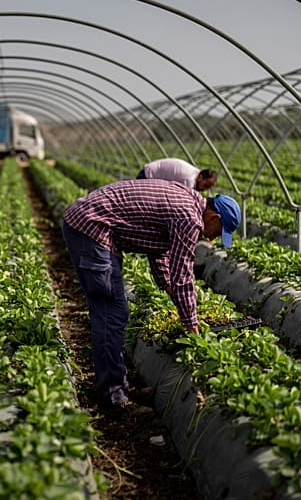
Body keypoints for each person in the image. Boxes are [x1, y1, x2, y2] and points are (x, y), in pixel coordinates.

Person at [62, 179, 240, 417]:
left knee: (113, 311)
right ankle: (113, 397)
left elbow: (158, 249)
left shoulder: (187, 202)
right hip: (92, 229)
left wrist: (167, 285)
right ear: (213, 218)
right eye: (218, 233)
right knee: (111, 313)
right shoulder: (189, 218)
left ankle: (118, 386)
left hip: (92, 226)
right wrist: (192, 325)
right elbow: (183, 275)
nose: (212, 239)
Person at [137, 157, 218, 192]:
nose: (205, 189)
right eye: (205, 185)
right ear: (200, 177)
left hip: (149, 172)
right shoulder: (189, 180)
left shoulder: (195, 173)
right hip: (147, 176)